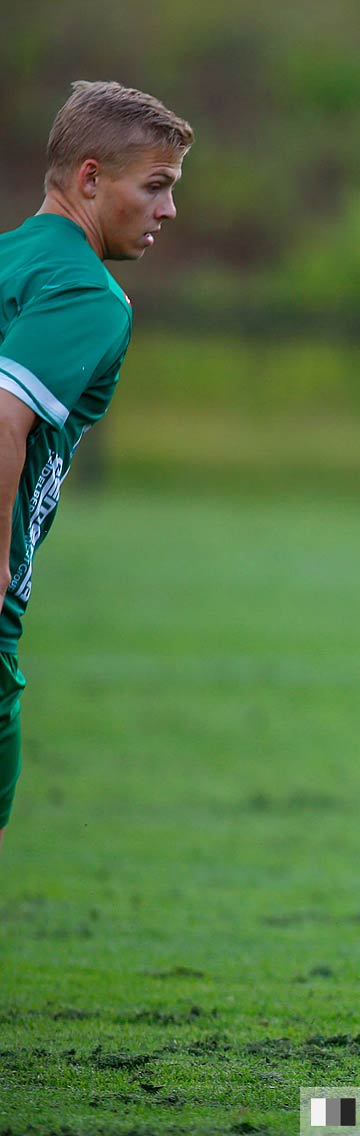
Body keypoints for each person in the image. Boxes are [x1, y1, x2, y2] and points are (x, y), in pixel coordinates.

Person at [0, 81, 193, 855]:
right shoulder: (88, 292)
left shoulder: (12, 258)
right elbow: (4, 417)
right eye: (156, 187)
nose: (169, 211)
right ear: (89, 179)